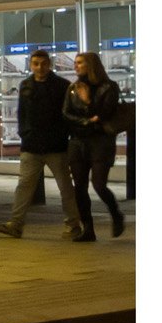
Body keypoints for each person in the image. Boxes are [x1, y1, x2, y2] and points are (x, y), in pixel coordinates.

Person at [0, 51, 81, 239]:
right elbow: (22, 114)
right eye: (36, 64)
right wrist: (25, 135)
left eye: (43, 64)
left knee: (65, 187)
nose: (40, 68)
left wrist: (61, 135)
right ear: (31, 65)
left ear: (49, 64)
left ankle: (73, 225)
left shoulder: (61, 86)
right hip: (32, 146)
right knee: (24, 186)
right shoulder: (26, 86)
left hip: (55, 146)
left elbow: (67, 115)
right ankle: (16, 224)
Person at [63, 52, 124, 240]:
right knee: (79, 187)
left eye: (80, 62)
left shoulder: (109, 87)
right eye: (75, 63)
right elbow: (66, 113)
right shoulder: (73, 88)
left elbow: (105, 114)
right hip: (78, 141)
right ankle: (87, 229)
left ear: (91, 64)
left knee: (98, 185)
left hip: (100, 142)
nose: (76, 66)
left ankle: (116, 213)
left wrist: (88, 101)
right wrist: (87, 122)